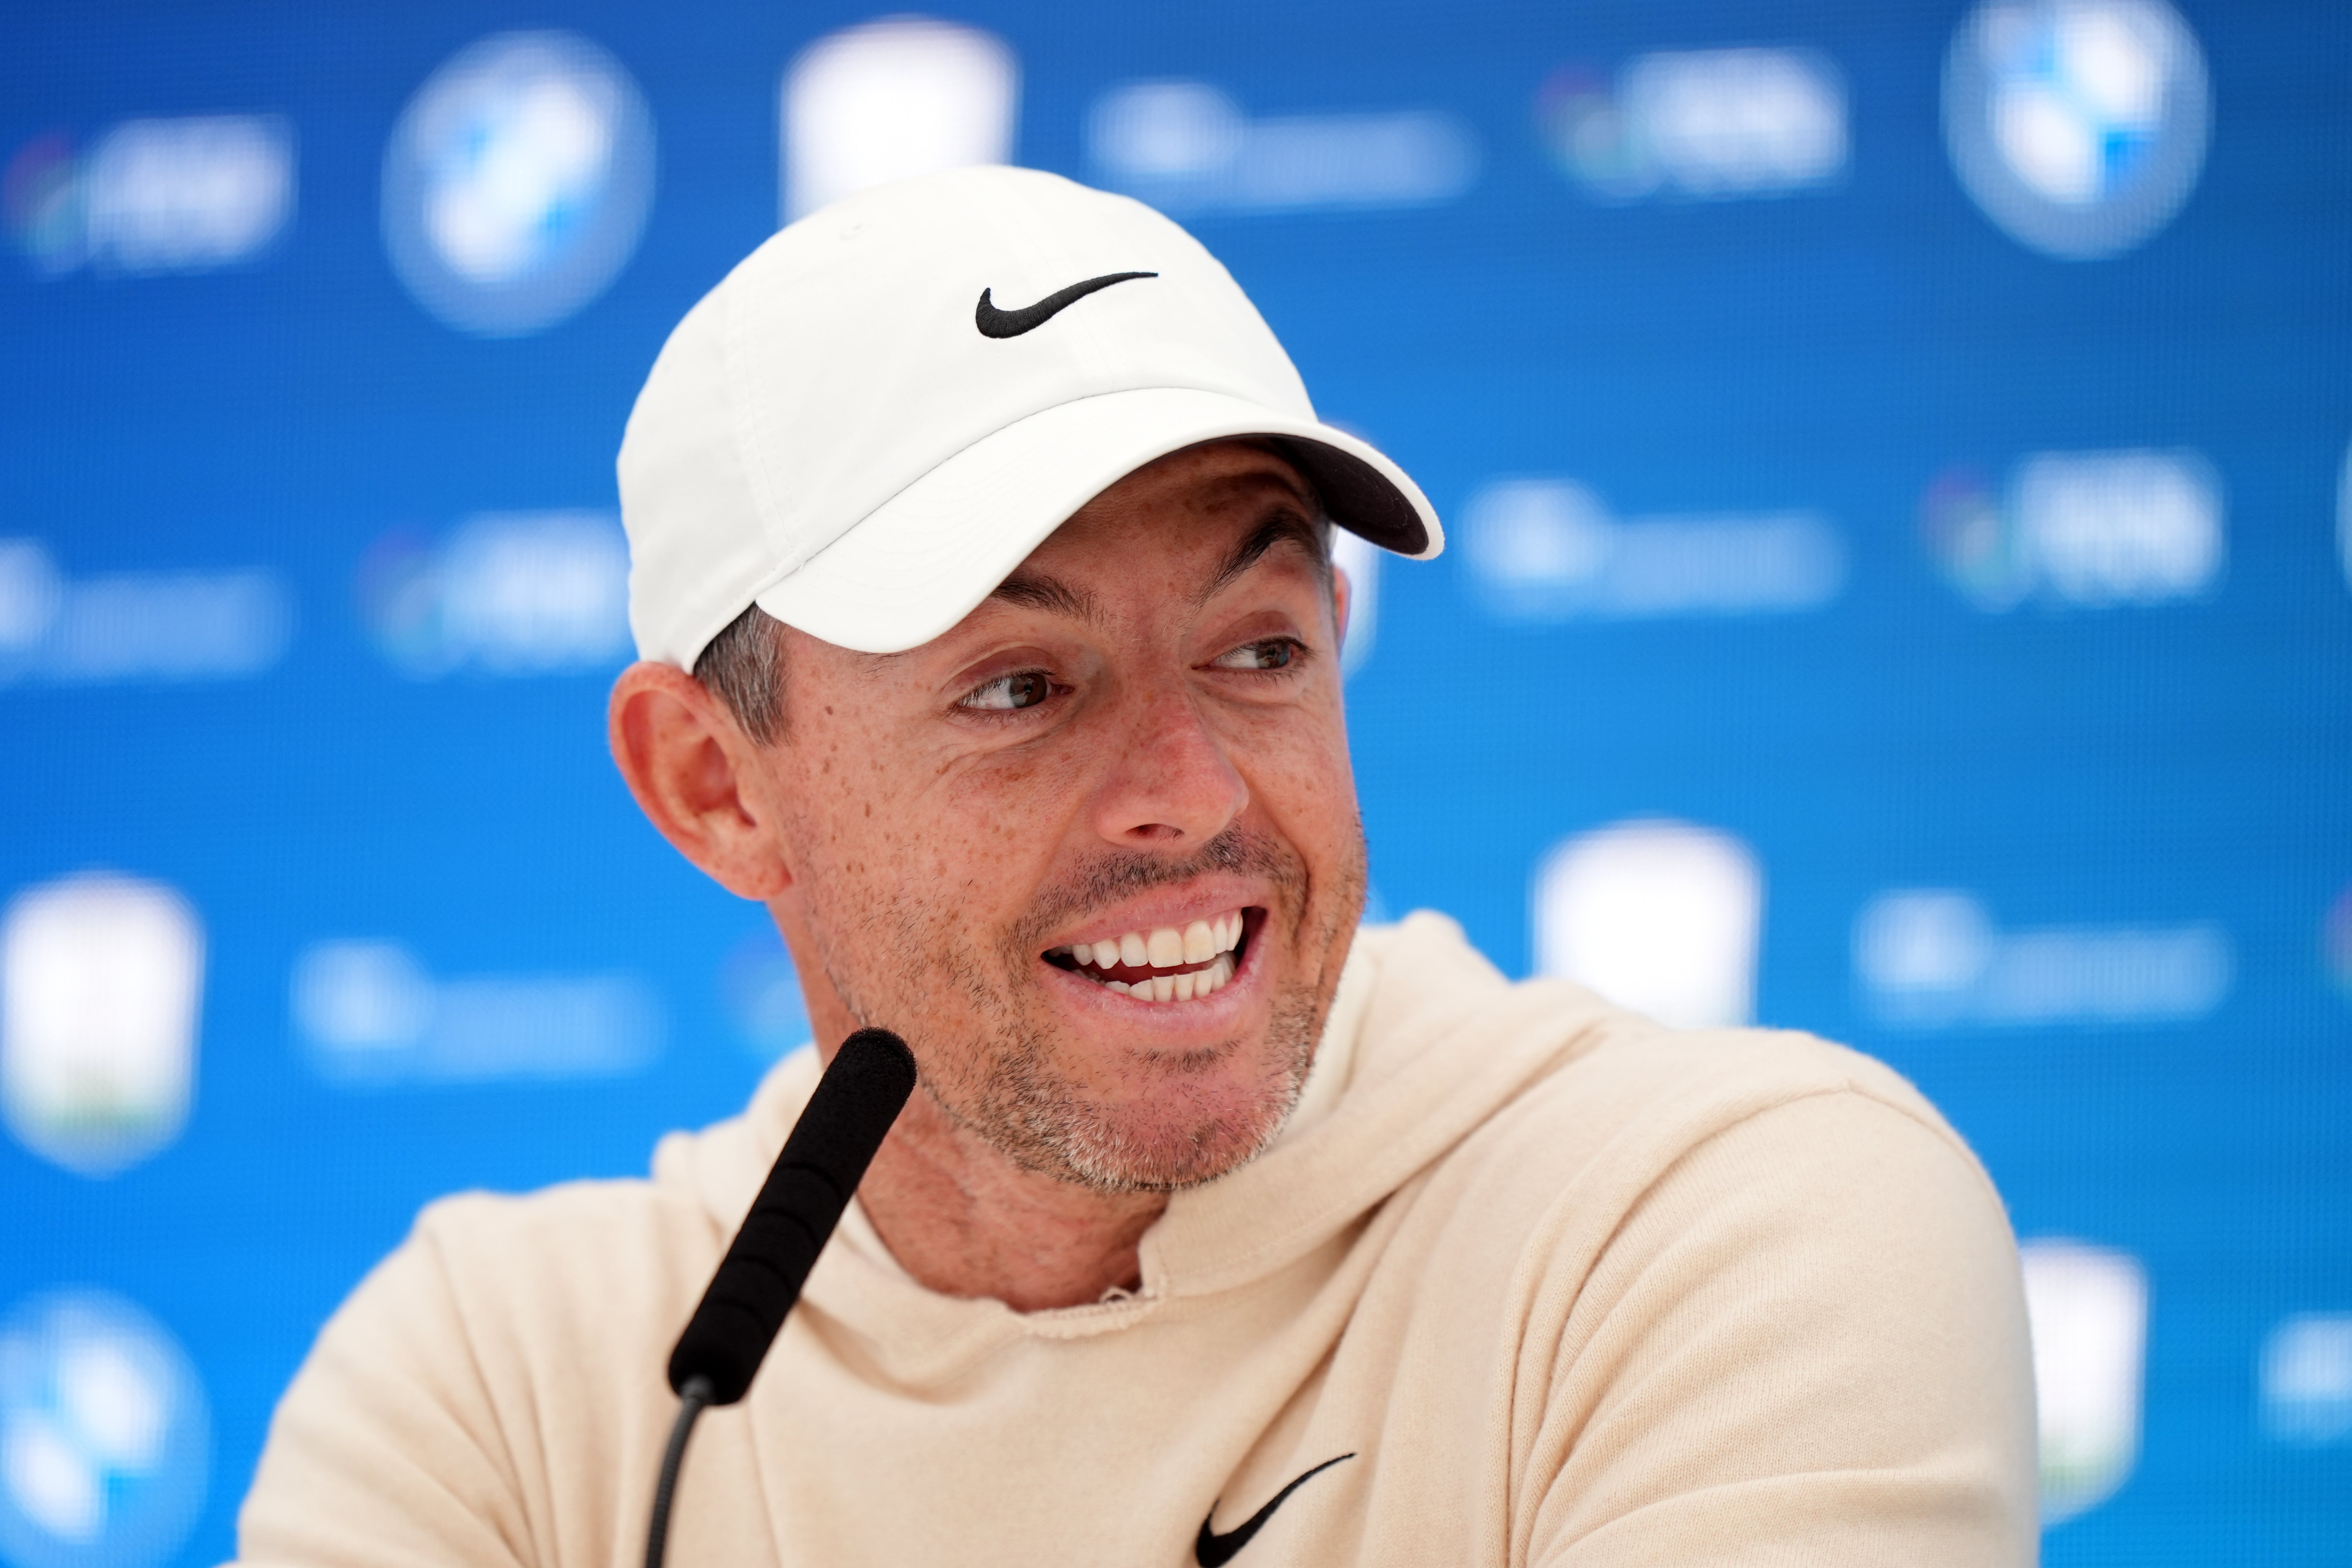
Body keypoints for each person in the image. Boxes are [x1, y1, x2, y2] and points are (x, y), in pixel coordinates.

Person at [236, 167, 2037, 1567]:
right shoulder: (499, 1382)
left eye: (1259, 647)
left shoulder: (1718, 1229)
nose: (1187, 791)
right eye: (1021, 686)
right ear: (715, 785)